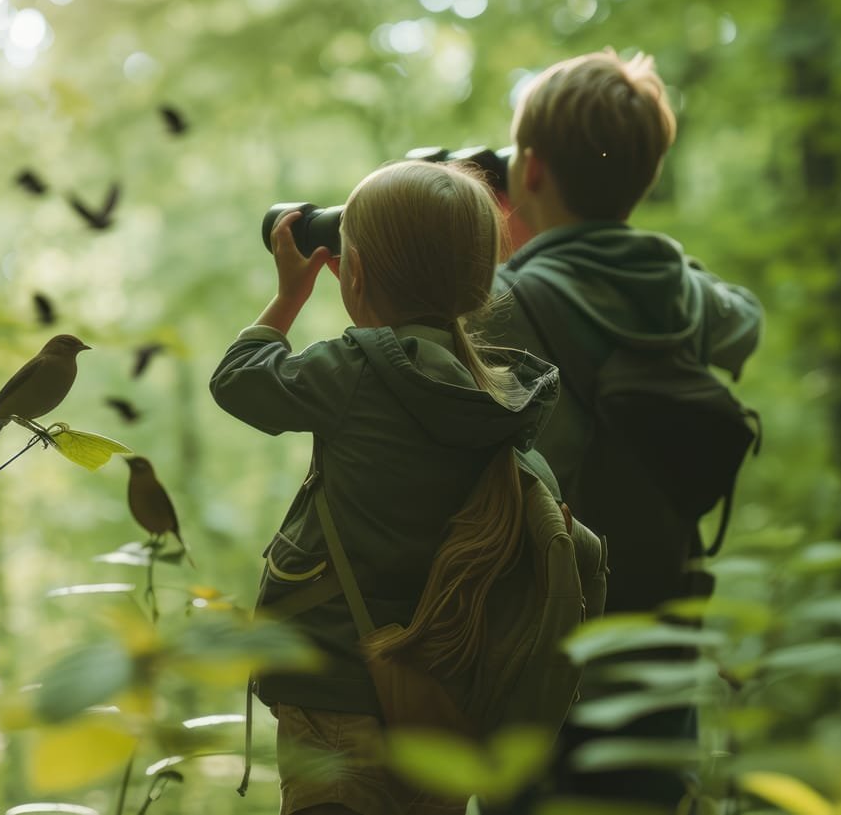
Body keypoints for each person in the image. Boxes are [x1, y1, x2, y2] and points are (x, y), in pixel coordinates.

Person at [210, 160, 561, 815]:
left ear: (356, 272)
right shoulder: (496, 395)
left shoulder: (354, 372)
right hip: (438, 694)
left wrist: (290, 294)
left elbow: (238, 380)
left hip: (332, 678)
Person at [480, 50, 763, 809]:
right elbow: (746, 323)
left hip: (537, 642)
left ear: (530, 171)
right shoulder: (683, 296)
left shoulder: (500, 304)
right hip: (662, 630)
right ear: (645, 176)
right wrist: (662, 261)